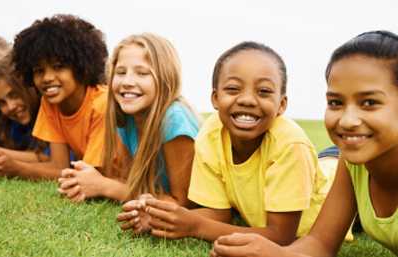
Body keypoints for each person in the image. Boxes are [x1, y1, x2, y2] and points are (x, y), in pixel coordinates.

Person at [210, 31, 398, 257]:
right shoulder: (353, 163)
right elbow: (319, 243)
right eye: (335, 102)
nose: (347, 121)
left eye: (369, 102)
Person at [143, 41, 329, 244]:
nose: (247, 100)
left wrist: (195, 226)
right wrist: (160, 218)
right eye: (233, 89)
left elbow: (281, 236)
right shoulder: (211, 134)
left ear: (281, 105)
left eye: (264, 91)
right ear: (215, 98)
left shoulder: (290, 146)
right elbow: (219, 214)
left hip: (334, 180)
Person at [59, 33, 199, 230]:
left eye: (142, 73)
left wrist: (103, 186)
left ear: (166, 78)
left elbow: (184, 203)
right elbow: (128, 182)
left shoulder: (174, 119)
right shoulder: (128, 118)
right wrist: (87, 179)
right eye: (121, 72)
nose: (127, 81)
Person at [11, 14, 108, 177]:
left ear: (81, 67)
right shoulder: (50, 103)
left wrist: (16, 168)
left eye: (58, 67)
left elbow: (91, 176)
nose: (47, 78)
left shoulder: (102, 103)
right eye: (39, 70)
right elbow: (59, 166)